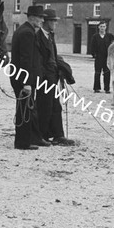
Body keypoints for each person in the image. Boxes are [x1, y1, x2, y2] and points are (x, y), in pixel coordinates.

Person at [36, 9, 76, 146]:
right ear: (45, 22)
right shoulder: (38, 36)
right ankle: (42, 135)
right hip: (43, 78)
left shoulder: (50, 36)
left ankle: (58, 135)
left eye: (55, 21)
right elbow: (38, 59)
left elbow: (53, 55)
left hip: (53, 76)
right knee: (44, 106)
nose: (55, 23)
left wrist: (60, 69)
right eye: (53, 21)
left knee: (56, 106)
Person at [10, 5, 48, 150]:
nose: (42, 20)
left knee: (28, 109)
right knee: (24, 110)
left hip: (22, 77)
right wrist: (26, 83)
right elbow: (26, 59)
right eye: (40, 17)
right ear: (32, 17)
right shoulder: (27, 33)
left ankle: (32, 138)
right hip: (24, 78)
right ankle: (22, 143)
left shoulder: (25, 30)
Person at [89, 21, 114, 93]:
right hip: (99, 57)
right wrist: (94, 55)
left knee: (107, 73)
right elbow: (92, 46)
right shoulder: (95, 36)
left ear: (106, 27)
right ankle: (96, 88)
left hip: (107, 57)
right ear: (98, 27)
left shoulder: (110, 36)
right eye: (101, 26)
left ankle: (107, 88)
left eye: (104, 26)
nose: (102, 28)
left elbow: (113, 45)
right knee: (97, 72)